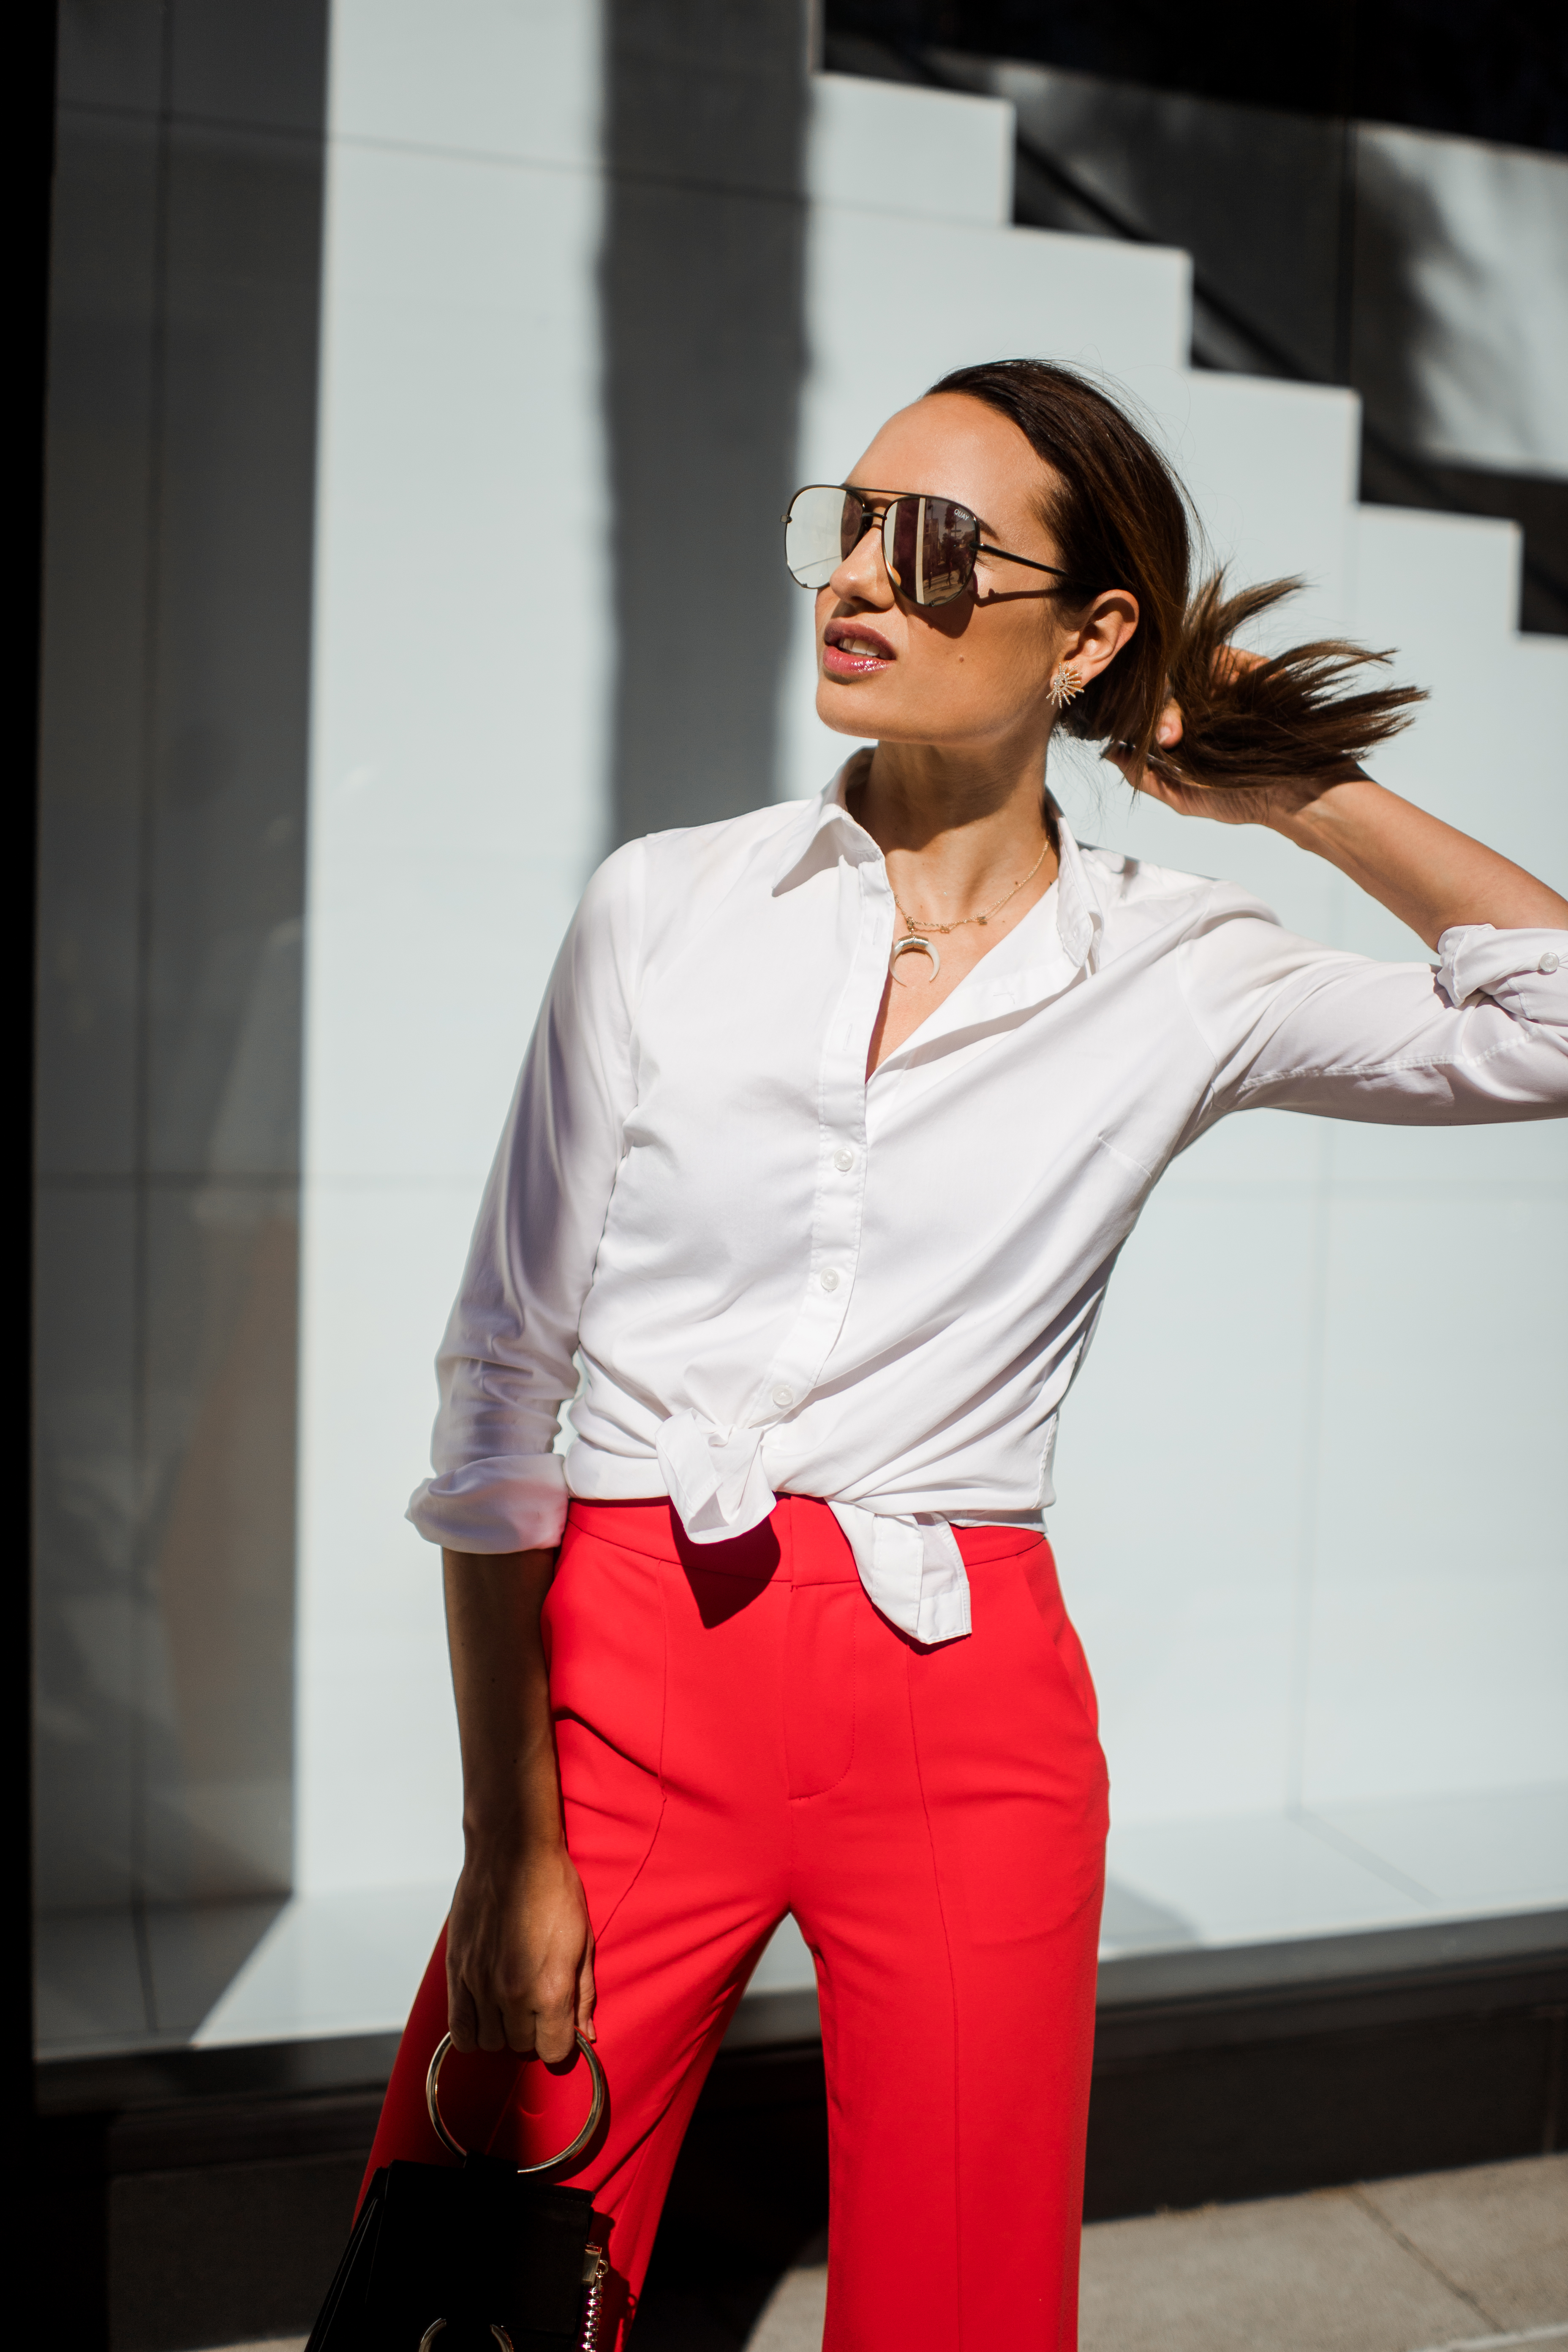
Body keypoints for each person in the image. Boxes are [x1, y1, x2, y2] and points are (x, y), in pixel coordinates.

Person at [359, 359, 1568, 2349]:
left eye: (933, 551)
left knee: (961, 2303)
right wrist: (508, 1851)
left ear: (1087, 636)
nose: (858, 578)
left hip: (963, 1697)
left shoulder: (1181, 966)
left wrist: (1298, 792)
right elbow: (499, 1386)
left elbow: (1546, 1021)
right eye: (843, 523)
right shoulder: (667, 908)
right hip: (629, 1658)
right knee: (474, 2237)